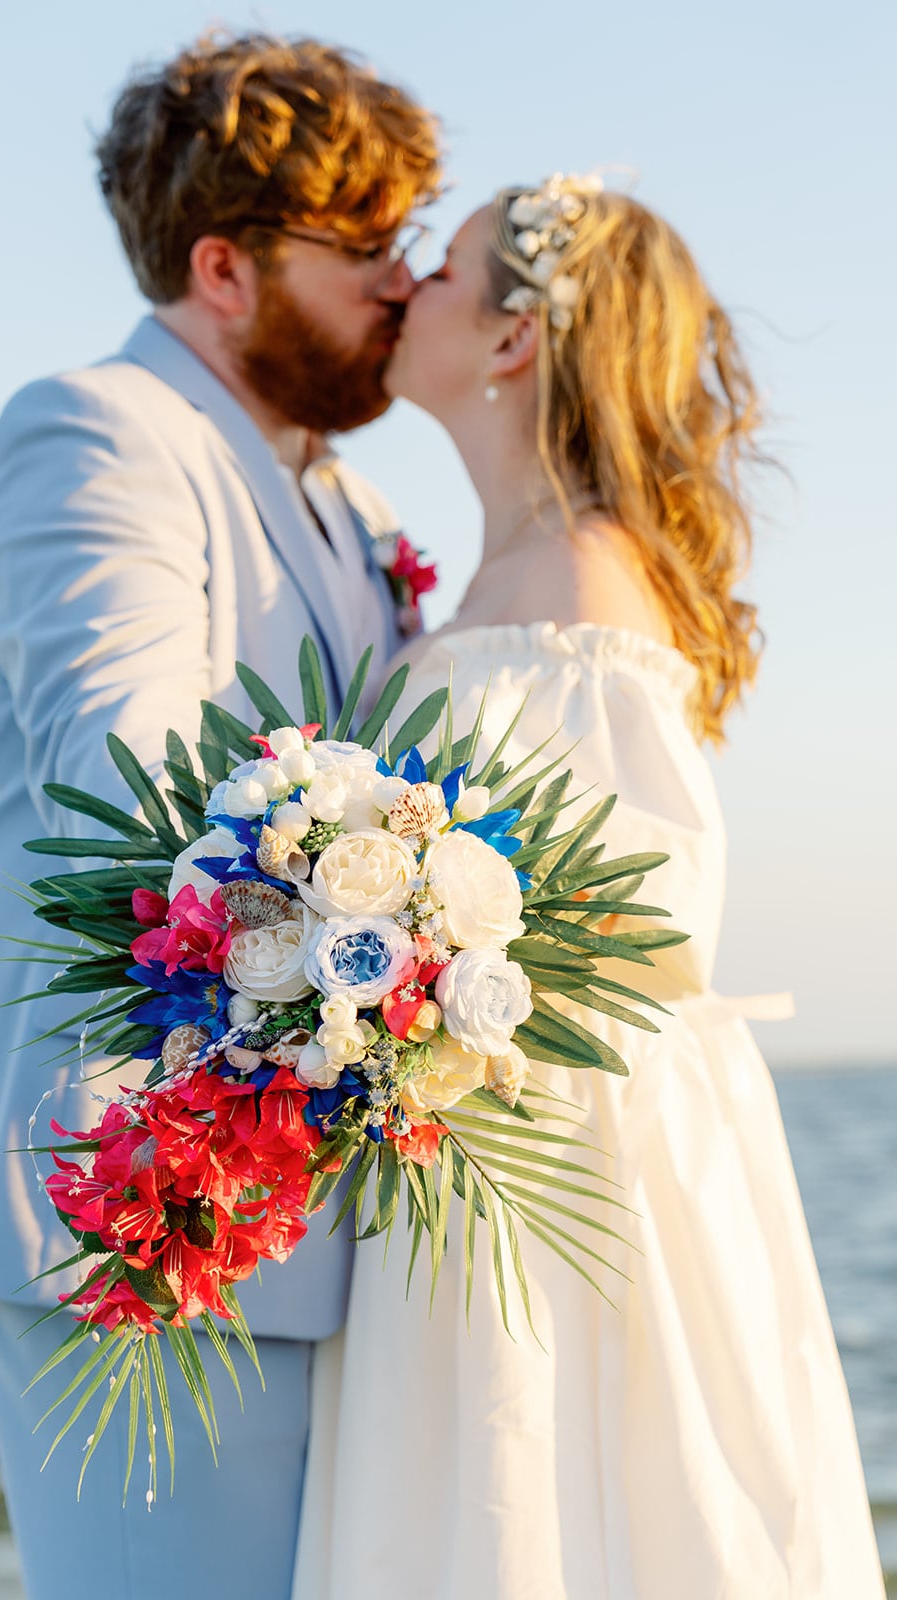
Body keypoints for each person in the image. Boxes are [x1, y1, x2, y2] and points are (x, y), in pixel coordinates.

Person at [291, 177, 886, 1598]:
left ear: (509, 340)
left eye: (441, 268)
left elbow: (634, 923)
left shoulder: (574, 587)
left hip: (564, 1154)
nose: (406, 286)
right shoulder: (518, 577)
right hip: (485, 1139)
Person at [0, 32, 441, 1600]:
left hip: (327, 1207)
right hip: (138, 1204)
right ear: (226, 265)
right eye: (368, 251)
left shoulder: (359, 505)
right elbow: (130, 792)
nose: (404, 284)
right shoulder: (94, 436)